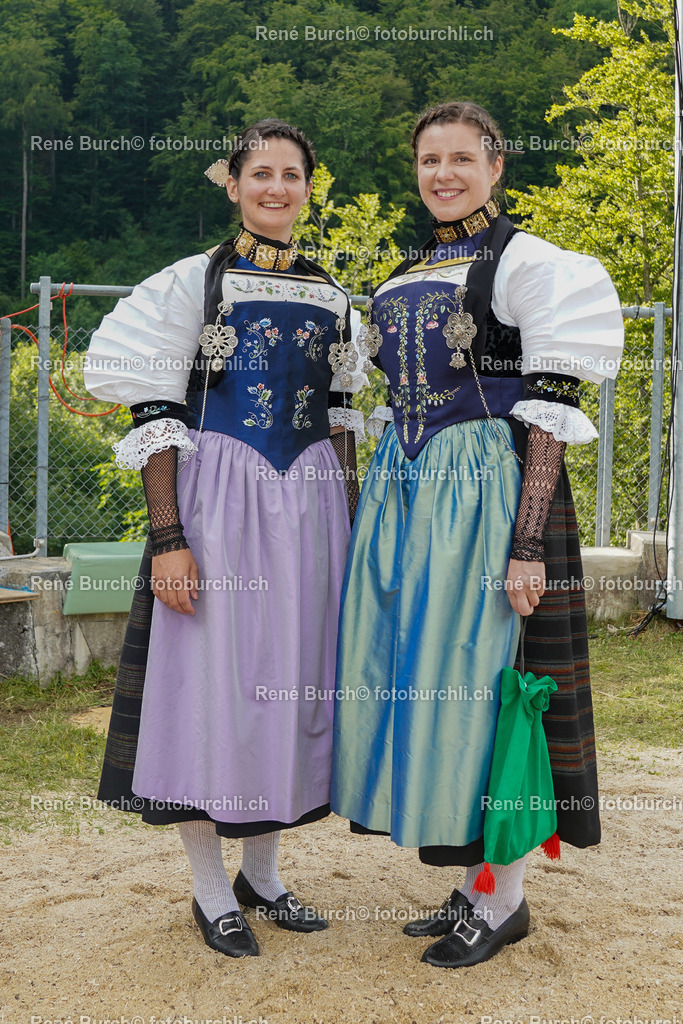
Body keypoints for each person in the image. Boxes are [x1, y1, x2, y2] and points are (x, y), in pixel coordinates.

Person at [330, 101, 624, 969]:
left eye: (463, 158)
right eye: (429, 160)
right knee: (431, 681)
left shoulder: (530, 264)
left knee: (494, 682)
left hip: (489, 500)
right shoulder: (403, 270)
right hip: (411, 500)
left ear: (497, 166)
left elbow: (549, 412)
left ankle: (505, 899)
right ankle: (472, 885)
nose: (444, 174)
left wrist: (525, 542)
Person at [84, 119, 367, 958]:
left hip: (311, 508)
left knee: (293, 681)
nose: (275, 189)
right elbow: (156, 415)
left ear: (310, 186)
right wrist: (169, 535)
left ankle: (264, 875)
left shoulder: (333, 294)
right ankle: (210, 888)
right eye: (260, 175)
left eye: (291, 175)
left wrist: (346, 523)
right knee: (212, 685)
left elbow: (344, 416)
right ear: (234, 184)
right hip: (217, 502)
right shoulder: (191, 284)